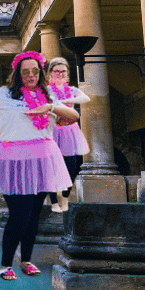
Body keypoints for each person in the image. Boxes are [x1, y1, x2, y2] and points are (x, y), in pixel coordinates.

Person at [0, 48, 78, 280]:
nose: (30, 75)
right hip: (12, 160)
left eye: (35, 70)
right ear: (17, 74)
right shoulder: (4, 94)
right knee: (19, 214)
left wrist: (50, 107)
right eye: (25, 71)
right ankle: (6, 264)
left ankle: (26, 259)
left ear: (40, 73)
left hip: (42, 159)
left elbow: (73, 116)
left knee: (35, 213)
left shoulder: (48, 96)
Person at [46, 57, 90, 213]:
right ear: (50, 73)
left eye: (63, 71)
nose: (60, 74)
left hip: (69, 131)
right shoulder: (47, 90)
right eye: (56, 71)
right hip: (52, 130)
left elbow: (86, 98)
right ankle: (53, 203)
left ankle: (64, 199)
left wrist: (68, 99)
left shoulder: (71, 90)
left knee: (71, 167)